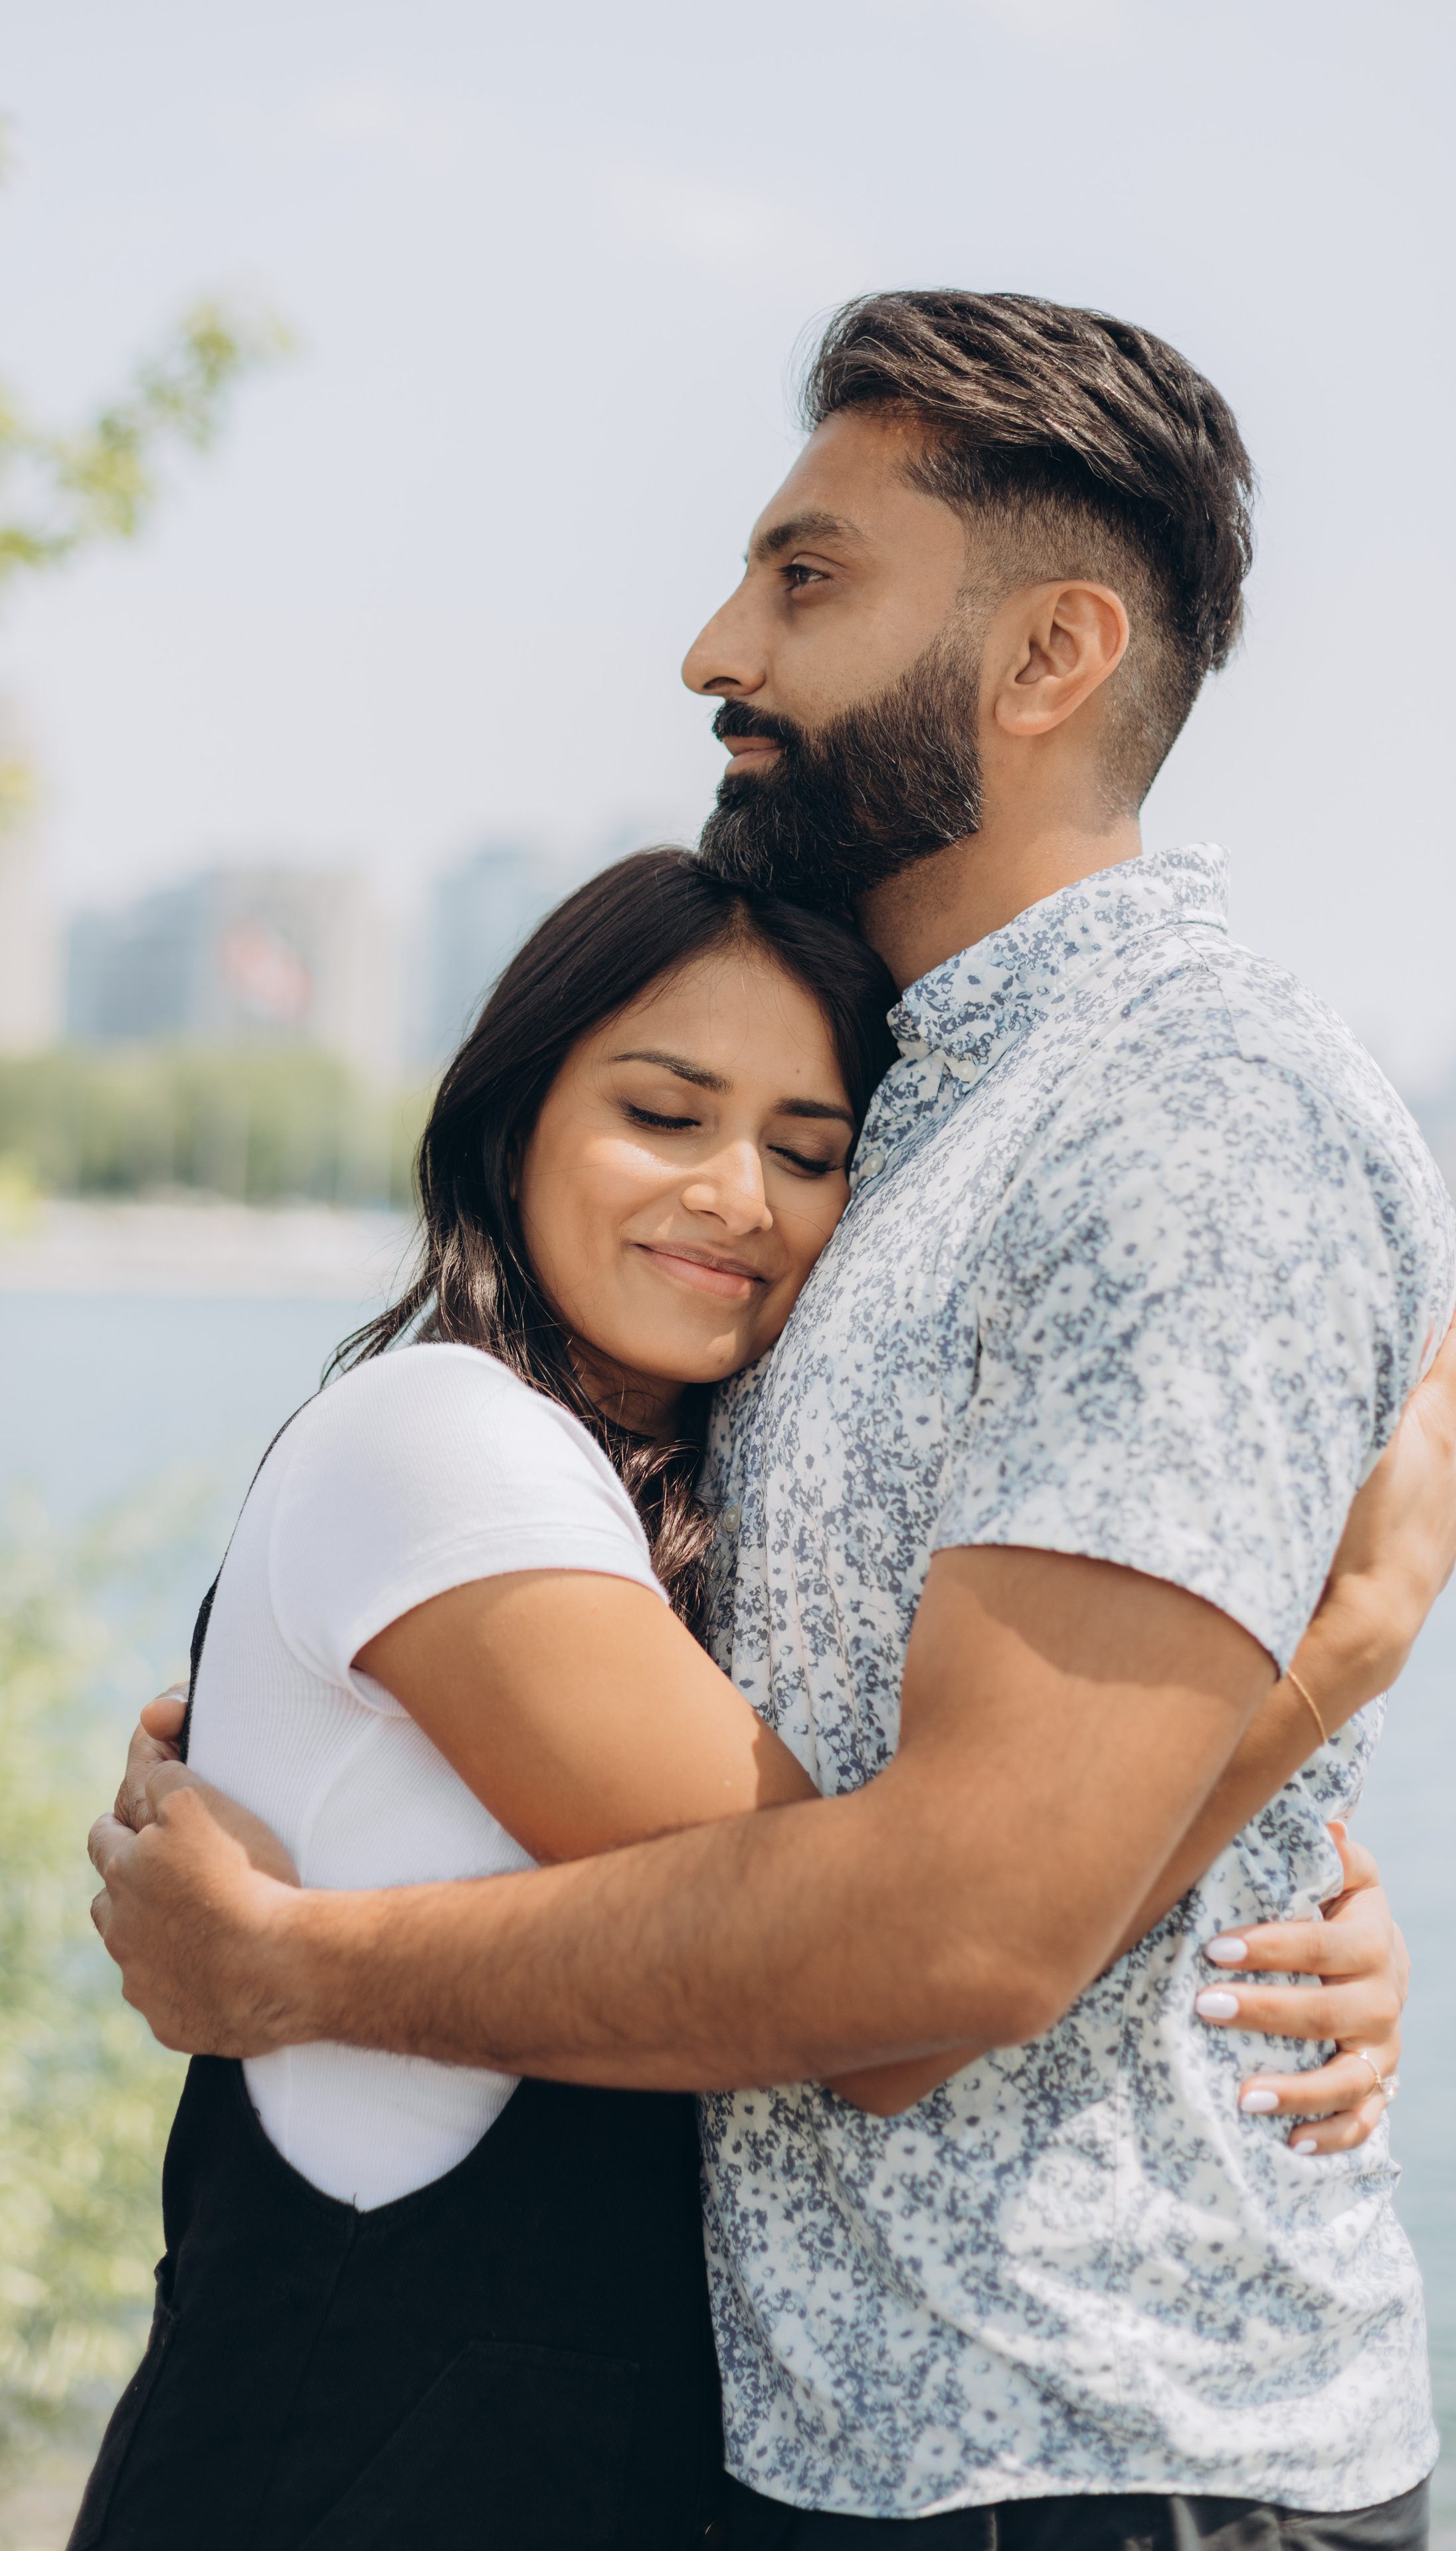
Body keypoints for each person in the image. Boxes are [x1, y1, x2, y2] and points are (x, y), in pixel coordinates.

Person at [90, 292, 1456, 2548]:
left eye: (810, 580)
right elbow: (896, 1764)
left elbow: (953, 1947)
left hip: (1102, 2456)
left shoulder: (1180, 1116)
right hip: (822, 2454)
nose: (719, 647)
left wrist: (297, 1962)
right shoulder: (914, 1113)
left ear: (1050, 661)